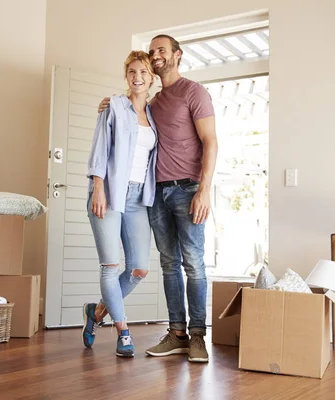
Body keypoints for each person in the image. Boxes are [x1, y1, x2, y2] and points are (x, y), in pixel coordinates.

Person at [98, 34, 218, 363]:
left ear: (177, 55)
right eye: (152, 52)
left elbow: (210, 142)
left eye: (161, 50)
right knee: (168, 265)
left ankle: (197, 337)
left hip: (189, 188)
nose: (156, 55)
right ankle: (176, 332)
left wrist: (205, 189)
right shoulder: (152, 104)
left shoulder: (194, 92)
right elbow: (131, 121)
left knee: (193, 264)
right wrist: (111, 104)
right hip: (157, 193)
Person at [81, 50, 159, 358]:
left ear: (152, 78)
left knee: (139, 268)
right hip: (110, 191)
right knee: (111, 267)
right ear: (127, 76)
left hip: (139, 197)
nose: (137, 77)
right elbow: (100, 147)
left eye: (143, 72)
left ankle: (96, 312)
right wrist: (98, 187)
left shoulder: (153, 115)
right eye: (132, 72)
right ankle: (123, 331)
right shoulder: (113, 106)